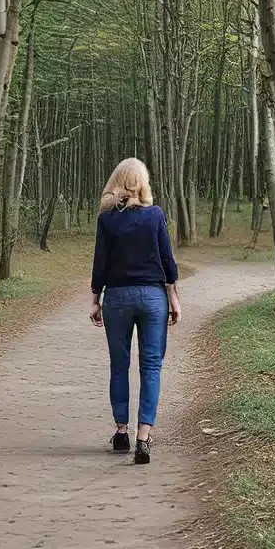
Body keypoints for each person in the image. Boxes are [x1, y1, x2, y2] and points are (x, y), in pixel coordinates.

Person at [90, 158, 181, 465]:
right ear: (143, 183)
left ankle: (120, 433)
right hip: (153, 297)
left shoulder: (107, 220)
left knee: (119, 364)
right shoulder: (155, 216)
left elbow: (100, 263)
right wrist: (173, 298)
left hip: (116, 297)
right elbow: (167, 262)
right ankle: (143, 437)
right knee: (151, 365)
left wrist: (95, 299)